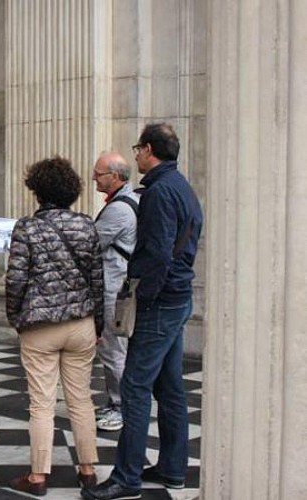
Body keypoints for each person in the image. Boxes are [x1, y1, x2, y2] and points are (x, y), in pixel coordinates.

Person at [81, 124, 203, 500]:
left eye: (138, 149)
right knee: (169, 388)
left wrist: (143, 296)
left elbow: (157, 253)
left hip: (160, 301)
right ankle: (172, 468)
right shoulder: (181, 186)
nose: (135, 156)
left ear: (149, 150)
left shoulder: (157, 193)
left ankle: (126, 478)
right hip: (178, 297)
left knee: (134, 388)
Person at [5, 156, 104, 496]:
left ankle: (38, 477)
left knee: (42, 403)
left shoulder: (27, 228)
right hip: (81, 324)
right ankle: (88, 470)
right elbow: (97, 281)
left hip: (40, 326)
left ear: (38, 191)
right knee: (81, 400)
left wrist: (15, 316)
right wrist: (99, 324)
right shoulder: (87, 225)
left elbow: (15, 279)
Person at [92, 152, 139, 432]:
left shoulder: (119, 209)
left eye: (99, 174)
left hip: (114, 288)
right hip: (120, 284)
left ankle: (119, 406)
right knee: (118, 349)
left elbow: (92, 242)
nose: (94, 177)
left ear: (116, 177)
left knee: (112, 351)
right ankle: (120, 403)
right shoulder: (132, 201)